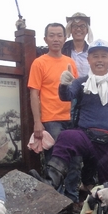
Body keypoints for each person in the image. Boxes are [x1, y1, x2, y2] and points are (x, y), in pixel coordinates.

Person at [38, 39, 108, 189]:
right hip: (85, 136)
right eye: (95, 56)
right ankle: (50, 182)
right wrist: (64, 84)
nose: (99, 60)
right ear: (88, 59)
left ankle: (107, 207)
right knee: (66, 137)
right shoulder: (81, 82)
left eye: (104, 56)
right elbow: (66, 96)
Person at [27, 23, 78, 197]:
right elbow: (34, 94)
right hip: (51, 119)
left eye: (59, 35)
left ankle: (72, 198)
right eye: (52, 35)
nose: (56, 39)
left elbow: (76, 91)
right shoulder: (39, 63)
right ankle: (56, 200)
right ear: (45, 39)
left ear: (65, 39)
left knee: (75, 160)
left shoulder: (70, 62)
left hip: (71, 118)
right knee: (55, 161)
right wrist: (37, 121)